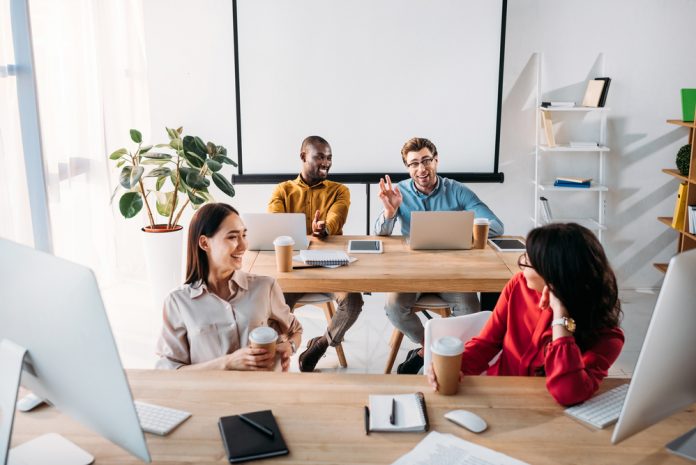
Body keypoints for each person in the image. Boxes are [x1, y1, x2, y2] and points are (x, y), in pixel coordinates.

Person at [427, 223, 625, 406]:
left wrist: (560, 317)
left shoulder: (607, 337)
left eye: (528, 261)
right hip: (500, 397)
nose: (521, 265)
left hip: (551, 414)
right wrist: (450, 366)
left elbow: (567, 392)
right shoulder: (519, 286)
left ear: (554, 275)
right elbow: (486, 344)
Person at [375, 137, 504, 374]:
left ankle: (426, 355)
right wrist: (390, 211)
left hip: (451, 271)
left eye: (426, 161)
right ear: (407, 167)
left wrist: (460, 228)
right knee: (394, 307)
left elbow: (496, 226)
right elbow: (381, 233)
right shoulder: (399, 191)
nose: (421, 169)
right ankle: (430, 347)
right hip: (412, 272)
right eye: (414, 163)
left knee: (471, 312)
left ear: (436, 160)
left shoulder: (457, 190)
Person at [156, 203, 302, 371]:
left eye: (244, 235)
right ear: (205, 243)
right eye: (232, 237)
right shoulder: (177, 302)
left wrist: (289, 347)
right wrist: (227, 363)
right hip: (213, 396)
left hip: (264, 393)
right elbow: (169, 371)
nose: (243, 245)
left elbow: (295, 330)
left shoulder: (265, 287)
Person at [268, 135, 363, 372]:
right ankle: (277, 356)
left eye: (329, 157)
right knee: (276, 307)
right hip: (295, 270)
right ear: (303, 156)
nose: (326, 162)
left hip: (330, 267)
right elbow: (275, 224)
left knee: (353, 302)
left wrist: (325, 228)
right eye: (319, 156)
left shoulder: (340, 191)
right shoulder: (283, 190)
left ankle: (320, 345)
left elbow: (336, 217)